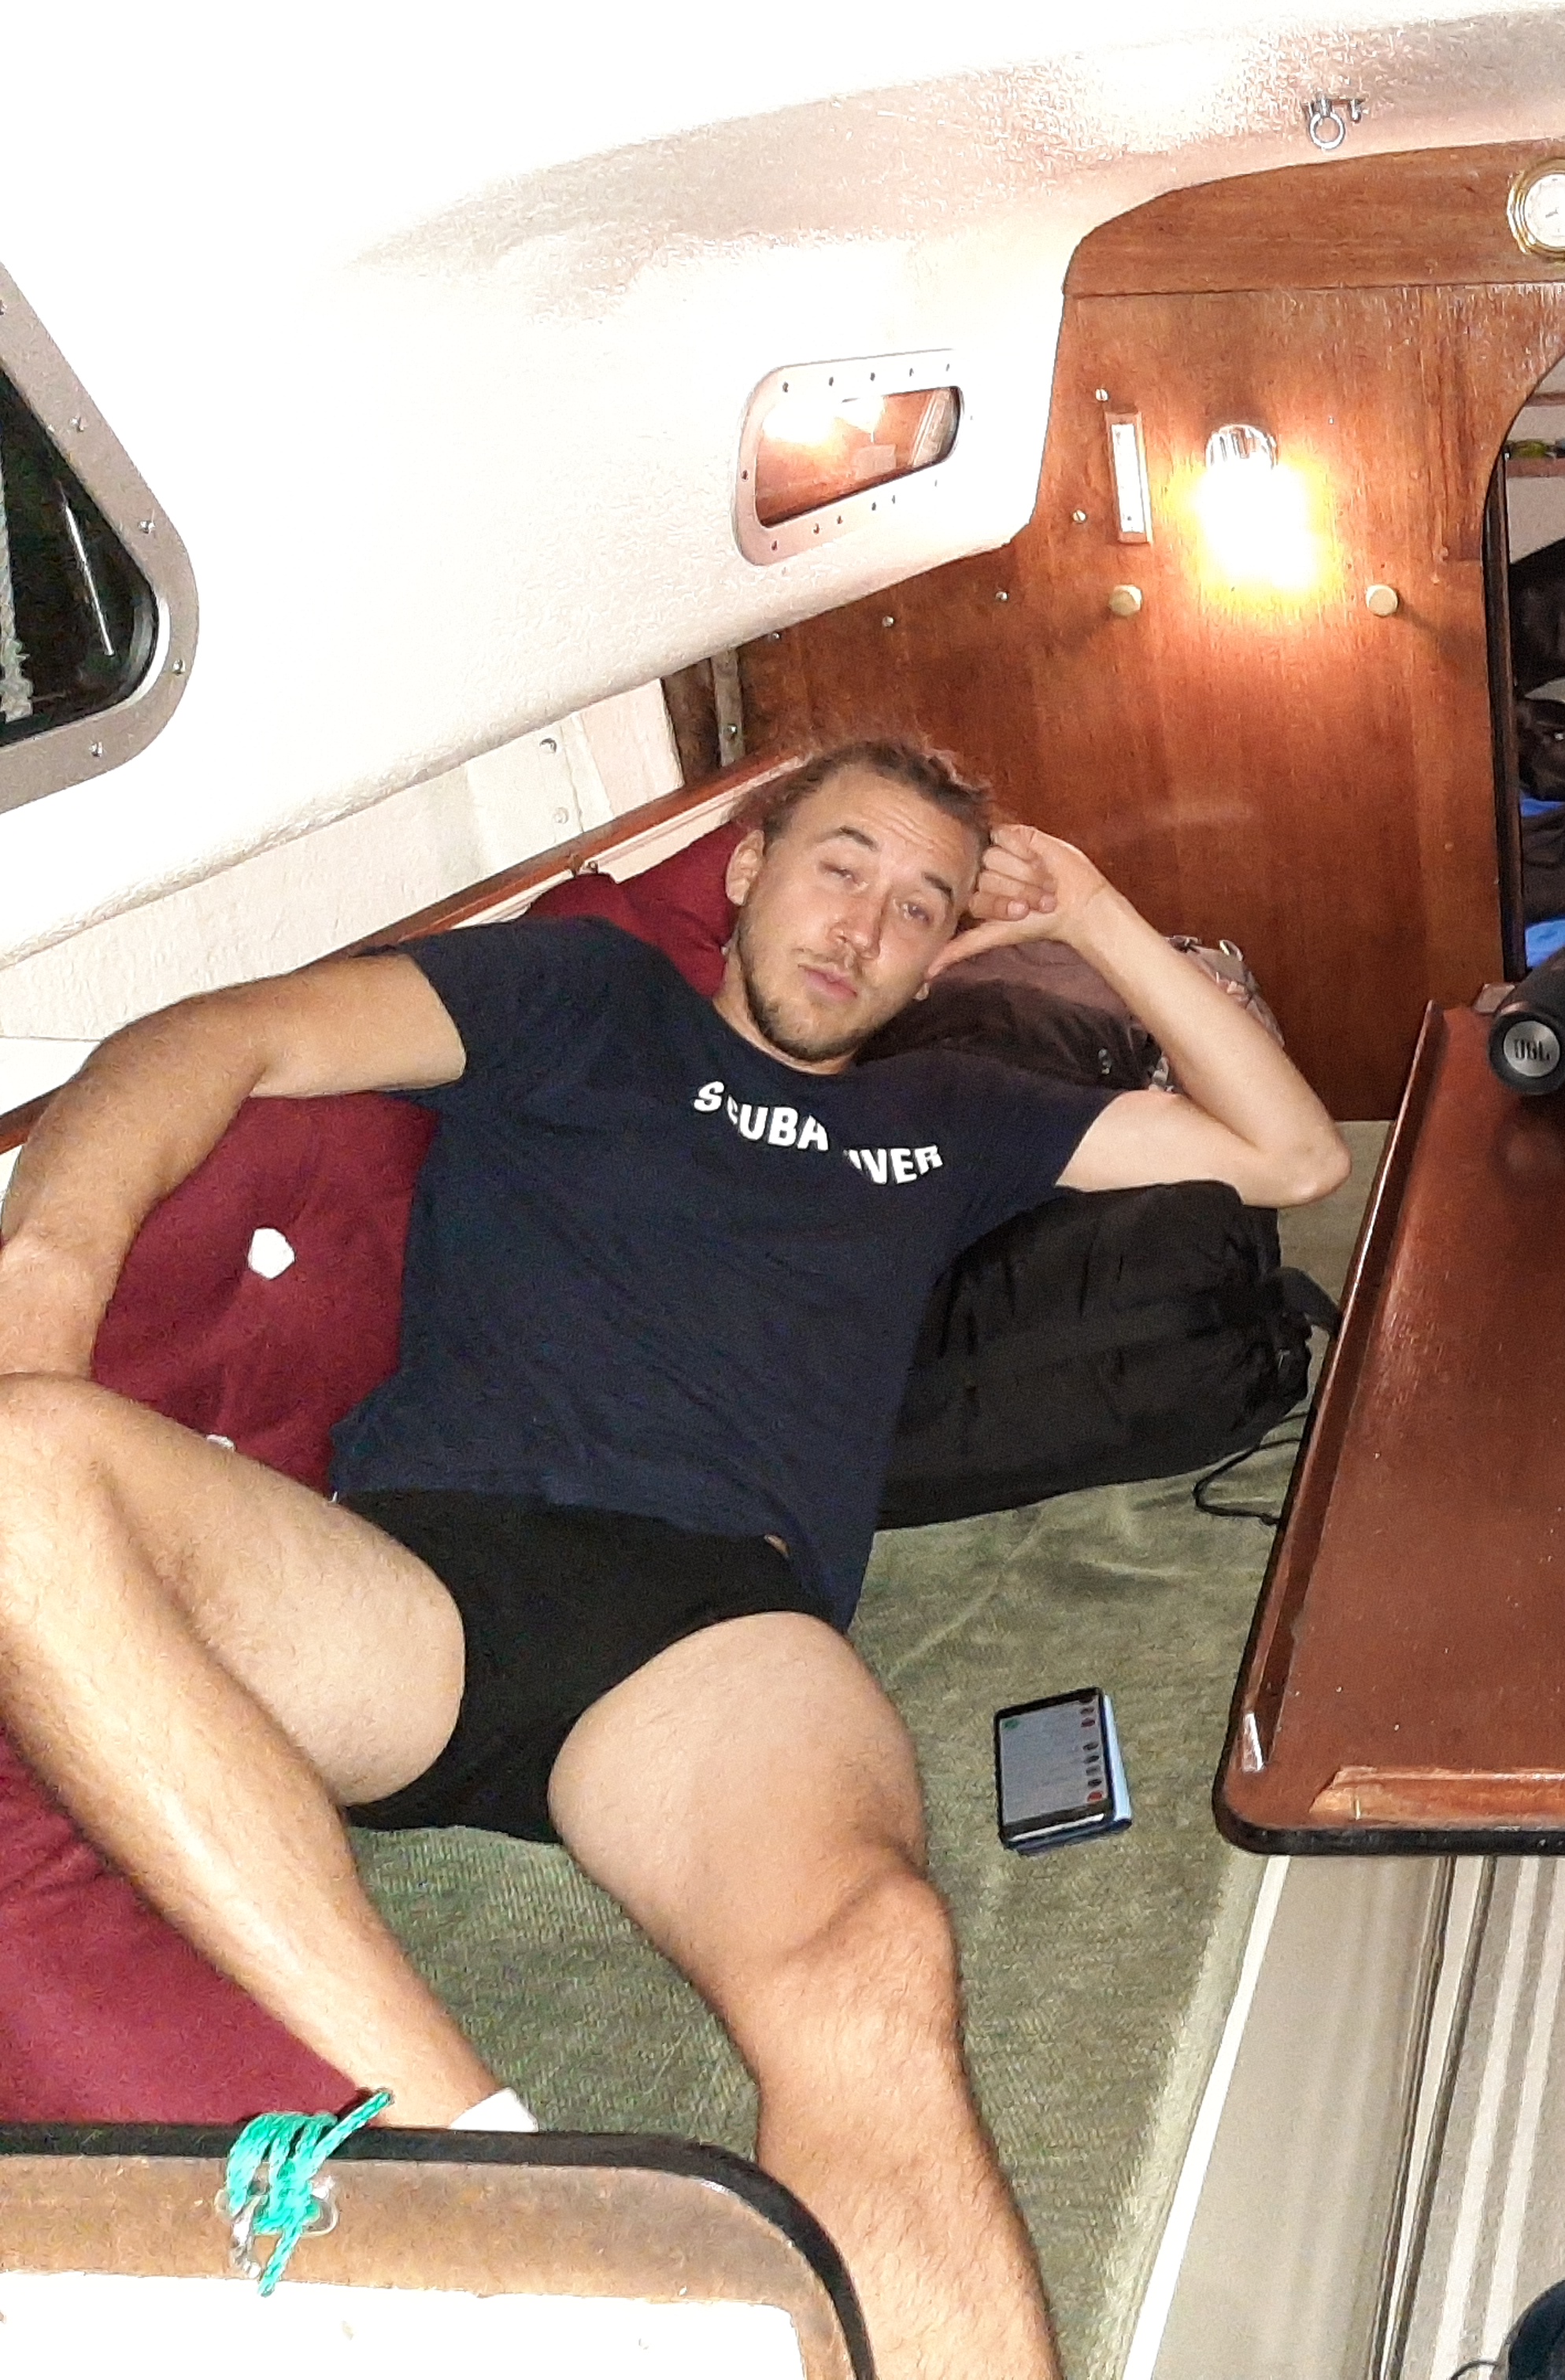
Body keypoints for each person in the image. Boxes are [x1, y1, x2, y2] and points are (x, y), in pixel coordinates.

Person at [0, 739, 1347, 2378]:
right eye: (840, 867)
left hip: (716, 1640)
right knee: (19, 1460)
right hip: (421, 1593)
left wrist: (1096, 911)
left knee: (873, 1961)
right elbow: (219, 1035)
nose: (863, 928)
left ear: (945, 956)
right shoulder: (582, 996)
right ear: (748, 868)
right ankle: (475, 2170)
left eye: (921, 906)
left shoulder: (956, 1118)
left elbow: (1294, 1158)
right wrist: (44, 1281)